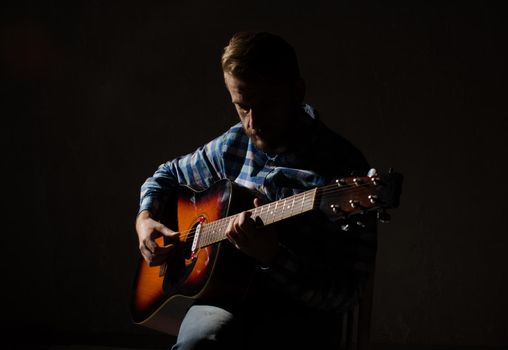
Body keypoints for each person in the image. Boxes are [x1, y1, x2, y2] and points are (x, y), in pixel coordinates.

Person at [135, 31, 377, 350]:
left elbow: (346, 293)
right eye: (242, 106)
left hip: (298, 311)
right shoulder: (234, 144)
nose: (252, 123)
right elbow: (166, 174)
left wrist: (273, 257)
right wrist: (145, 218)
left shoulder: (344, 168)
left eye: (266, 106)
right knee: (197, 344)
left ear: (297, 92)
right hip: (224, 298)